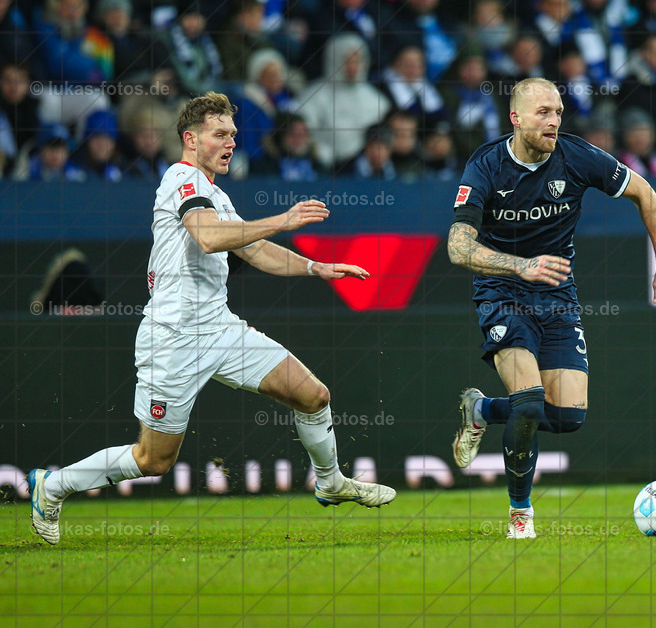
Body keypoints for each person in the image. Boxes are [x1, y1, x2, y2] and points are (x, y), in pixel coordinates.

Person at [27, 92, 396, 546]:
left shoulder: (216, 194)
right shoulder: (180, 179)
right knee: (153, 460)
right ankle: (53, 485)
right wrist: (282, 218)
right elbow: (205, 237)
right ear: (190, 139)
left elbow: (252, 248)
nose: (230, 143)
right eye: (220, 134)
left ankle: (331, 482)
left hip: (219, 328)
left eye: (234, 135)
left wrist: (315, 267)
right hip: (173, 339)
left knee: (313, 395)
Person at [447, 78, 656, 539]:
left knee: (567, 418)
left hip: (558, 298)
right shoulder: (486, 165)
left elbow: (646, 193)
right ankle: (521, 513)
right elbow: (458, 247)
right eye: (542, 112)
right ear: (515, 117)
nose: (554, 120)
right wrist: (522, 266)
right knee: (529, 402)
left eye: (558, 111)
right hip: (502, 295)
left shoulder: (577, 156)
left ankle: (480, 411)